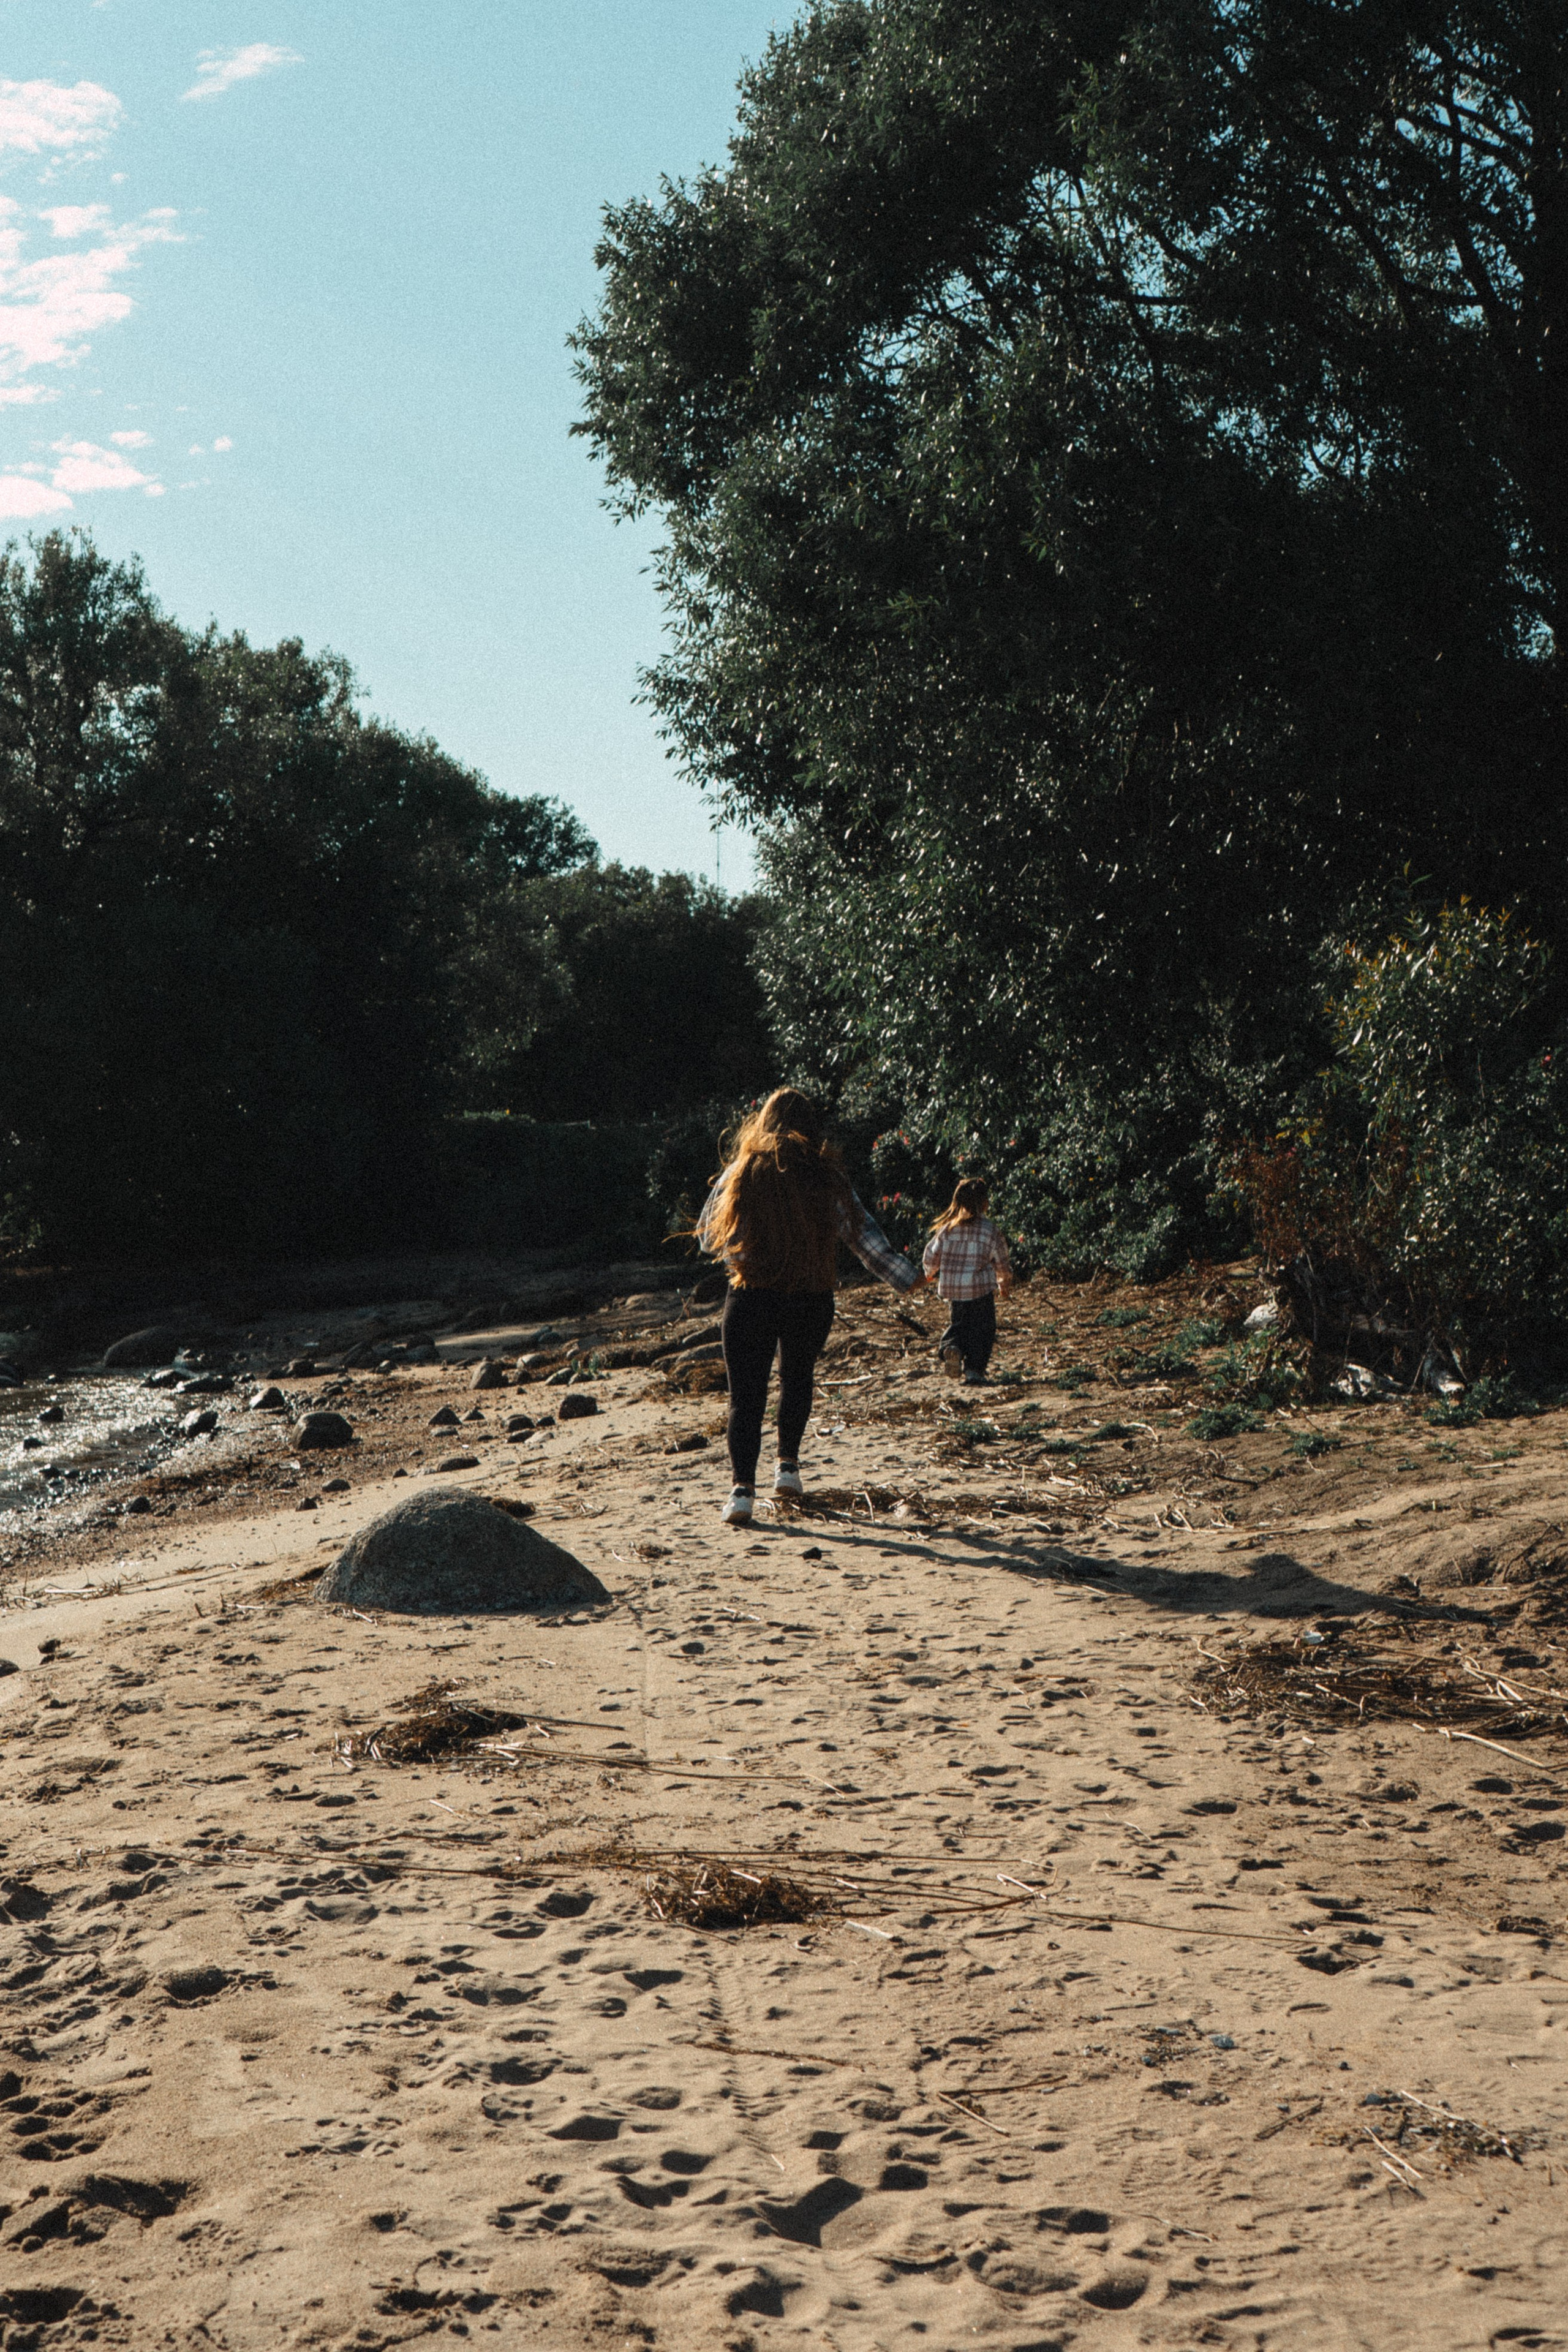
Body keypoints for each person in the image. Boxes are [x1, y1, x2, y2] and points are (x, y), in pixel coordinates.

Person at [696, 1089, 921, 1526]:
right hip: (811, 1297)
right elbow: (866, 1241)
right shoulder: (827, 1176)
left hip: (752, 1295)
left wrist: (746, 1254)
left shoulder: (742, 1172)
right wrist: (909, 1279)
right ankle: (788, 1469)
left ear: (764, 1122)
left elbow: (708, 1237)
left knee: (746, 1399)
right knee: (797, 1379)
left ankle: (741, 1494)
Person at [922, 1177, 1012, 1384]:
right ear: (985, 1203)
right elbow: (1001, 1259)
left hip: (955, 1291)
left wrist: (930, 1272)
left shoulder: (947, 1229)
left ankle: (951, 1347)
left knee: (960, 1324)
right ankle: (974, 1371)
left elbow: (931, 1255)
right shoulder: (989, 1229)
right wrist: (1003, 1282)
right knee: (983, 1330)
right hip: (980, 1290)